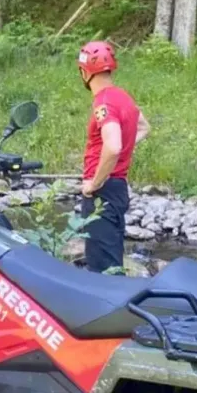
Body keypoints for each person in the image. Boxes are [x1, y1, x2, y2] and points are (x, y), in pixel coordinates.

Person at [78, 40, 150, 274]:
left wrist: (94, 183)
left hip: (103, 192)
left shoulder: (103, 103)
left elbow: (113, 145)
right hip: (118, 189)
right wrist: (113, 155)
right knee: (112, 258)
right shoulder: (123, 96)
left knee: (101, 268)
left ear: (84, 72)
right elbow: (143, 127)